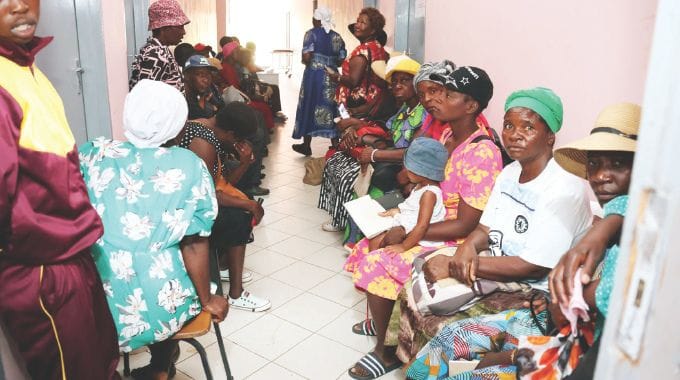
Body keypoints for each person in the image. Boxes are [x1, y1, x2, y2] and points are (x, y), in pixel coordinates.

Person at [403, 88, 595, 379]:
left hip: (538, 292)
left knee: (450, 330)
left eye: (528, 127)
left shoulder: (563, 188)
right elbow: (483, 228)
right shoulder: (509, 173)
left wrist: (461, 264)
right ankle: (408, 360)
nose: (514, 134)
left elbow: (531, 265)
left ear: (550, 136)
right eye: (509, 125)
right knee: (420, 266)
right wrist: (464, 250)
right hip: (497, 265)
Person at [345, 65, 503, 380]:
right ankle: (384, 320)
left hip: (454, 237)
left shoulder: (482, 152)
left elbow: (467, 225)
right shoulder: (446, 133)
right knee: (368, 241)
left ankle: (386, 351)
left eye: (448, 94)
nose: (436, 99)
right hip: (429, 218)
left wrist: (408, 233)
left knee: (381, 259)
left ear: (470, 106)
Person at [79, 80, 229, 379]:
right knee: (170, 275)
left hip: (98, 303)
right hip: (163, 305)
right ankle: (161, 364)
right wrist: (207, 299)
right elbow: (194, 245)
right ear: (176, 123)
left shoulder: (92, 153)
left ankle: (140, 368)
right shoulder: (188, 164)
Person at [0, 0, 119, 378]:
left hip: (68, 255)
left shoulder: (26, 70)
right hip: (37, 269)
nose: (20, 5)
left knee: (96, 364)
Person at [175, 103, 271, 312]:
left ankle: (224, 266)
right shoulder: (204, 144)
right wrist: (249, 205)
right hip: (184, 209)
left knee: (244, 202)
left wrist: (245, 163)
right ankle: (236, 294)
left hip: (196, 199)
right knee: (240, 216)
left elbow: (221, 182)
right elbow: (208, 196)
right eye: (238, 139)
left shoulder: (204, 126)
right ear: (229, 133)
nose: (239, 144)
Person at [318, 55, 421, 233]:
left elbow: (411, 151)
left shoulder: (423, 112)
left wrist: (372, 152)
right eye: (394, 81)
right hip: (388, 152)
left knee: (351, 172)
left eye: (404, 80)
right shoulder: (405, 107)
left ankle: (355, 226)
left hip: (402, 163)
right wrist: (361, 136)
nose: (397, 85)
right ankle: (342, 216)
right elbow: (388, 133)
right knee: (337, 162)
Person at [369, 137, 448, 253]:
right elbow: (412, 208)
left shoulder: (429, 194)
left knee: (377, 242)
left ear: (421, 171)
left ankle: (374, 264)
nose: (405, 171)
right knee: (374, 238)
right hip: (407, 222)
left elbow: (422, 226)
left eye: (409, 169)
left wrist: (403, 246)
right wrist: (396, 211)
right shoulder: (420, 186)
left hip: (413, 233)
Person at [291, 6, 347, 156]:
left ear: (318, 19)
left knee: (309, 105)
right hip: (332, 76)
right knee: (331, 106)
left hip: (314, 77)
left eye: (314, 17)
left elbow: (307, 57)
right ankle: (336, 146)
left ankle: (306, 145)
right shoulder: (337, 36)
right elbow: (341, 59)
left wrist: (308, 60)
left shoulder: (310, 34)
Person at [129, 0, 189, 92]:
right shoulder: (156, 55)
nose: (183, 32)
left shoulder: (159, 51)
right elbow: (145, 97)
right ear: (164, 28)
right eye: (180, 27)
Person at [183, 54, 224, 119]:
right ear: (187, 76)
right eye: (199, 74)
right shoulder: (183, 99)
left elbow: (221, 108)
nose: (205, 80)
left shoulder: (209, 90)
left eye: (208, 74)